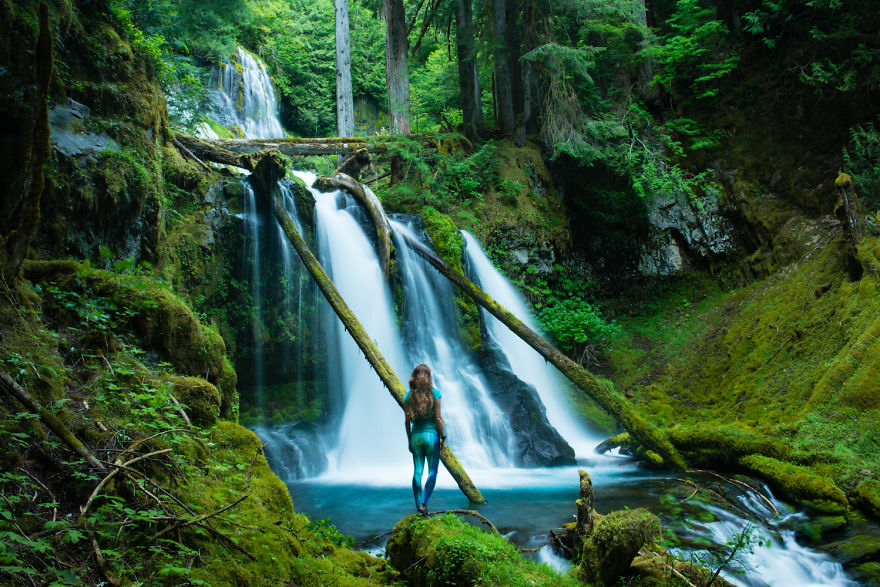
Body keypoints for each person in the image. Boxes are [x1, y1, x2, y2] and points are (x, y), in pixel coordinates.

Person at [404, 364, 446, 516]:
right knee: (432, 471)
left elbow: (407, 420)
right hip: (431, 436)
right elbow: (438, 419)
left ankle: (418, 508)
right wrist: (444, 438)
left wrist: (409, 440)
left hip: (416, 436)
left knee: (417, 472)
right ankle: (424, 505)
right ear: (429, 378)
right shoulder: (435, 394)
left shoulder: (408, 396)